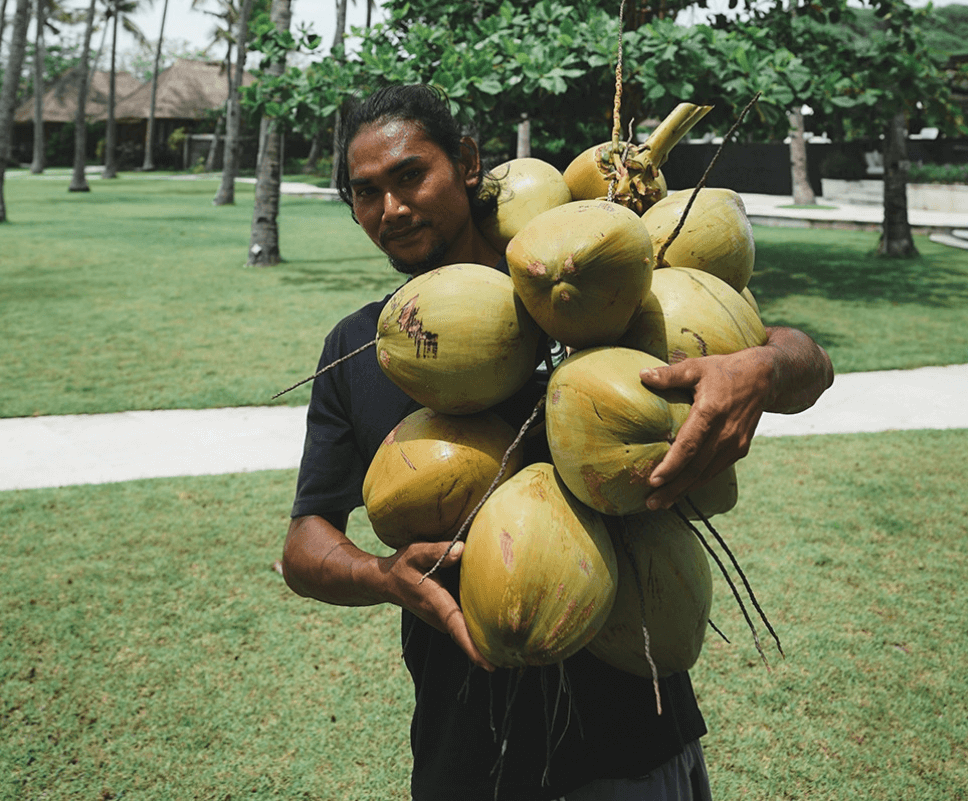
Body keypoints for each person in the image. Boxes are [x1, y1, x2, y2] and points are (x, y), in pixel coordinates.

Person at [282, 84, 833, 801]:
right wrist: (383, 576)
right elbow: (304, 544)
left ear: (469, 162)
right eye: (365, 193)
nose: (391, 209)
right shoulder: (360, 348)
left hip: (634, 746)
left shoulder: (592, 282)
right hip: (466, 760)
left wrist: (760, 367)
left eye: (410, 175)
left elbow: (806, 364)